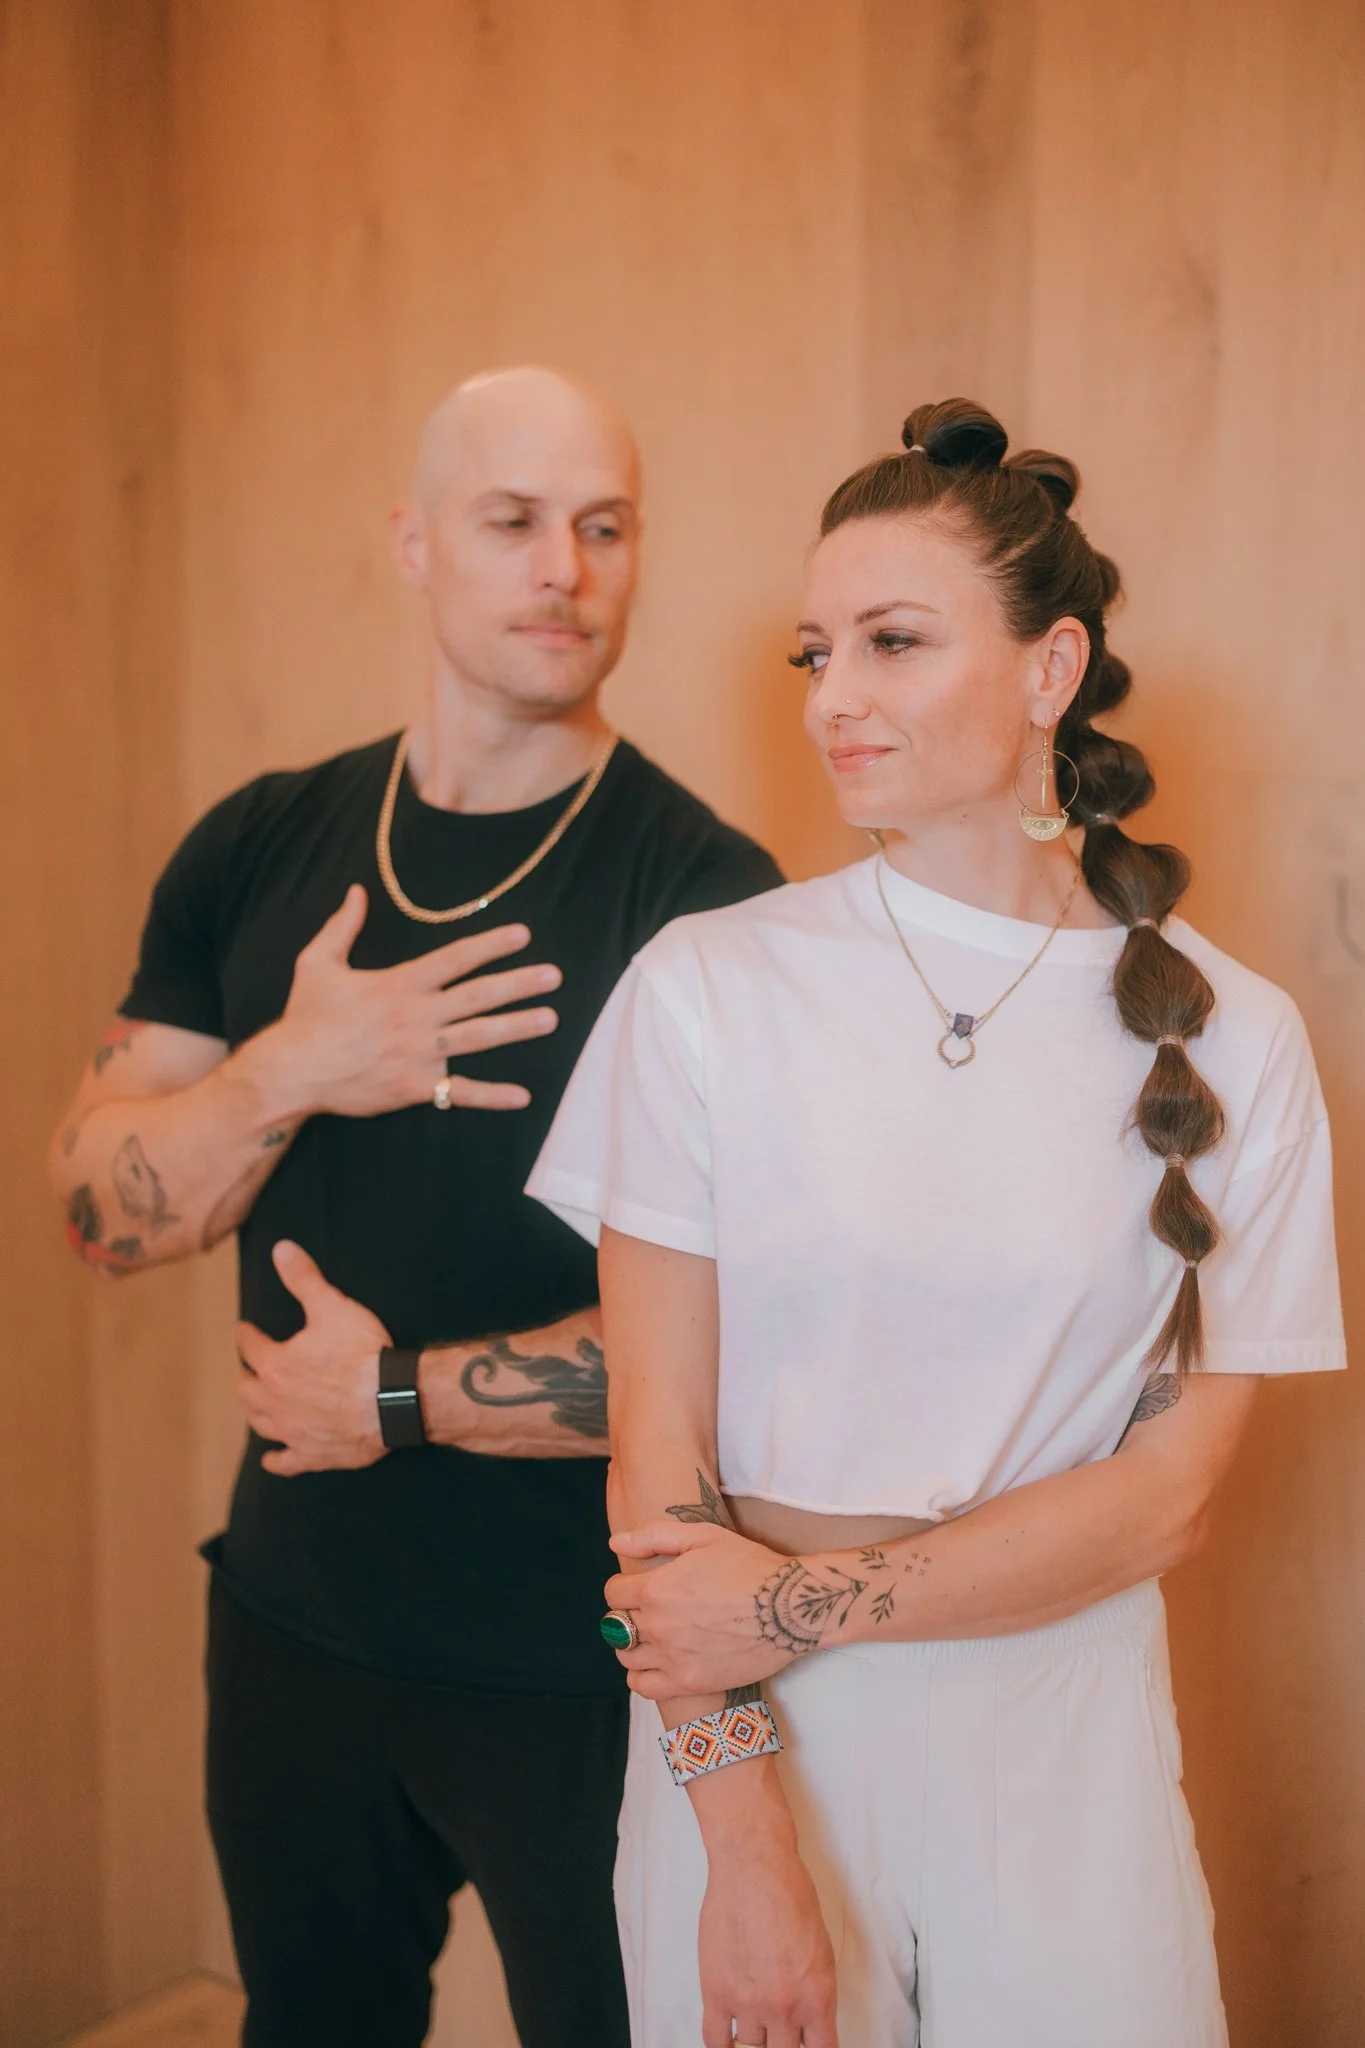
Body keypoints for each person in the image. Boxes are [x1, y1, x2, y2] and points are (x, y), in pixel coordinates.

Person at [527, 398, 1348, 2048]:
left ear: (1051, 672)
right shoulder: (708, 987)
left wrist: (792, 1596)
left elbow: (1168, 1502)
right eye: (815, 654)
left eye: (893, 643)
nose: (838, 700)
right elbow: (658, 1464)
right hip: (747, 1748)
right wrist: (742, 1837)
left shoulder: (1236, 1037)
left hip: (1069, 1739)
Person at [48, 365, 781, 2048]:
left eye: (604, 529)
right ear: (413, 544)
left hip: (579, 1665)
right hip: (294, 1627)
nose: (564, 573)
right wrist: (291, 1068)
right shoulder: (262, 841)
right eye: (513, 522)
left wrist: (394, 1399)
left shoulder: (710, 903)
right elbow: (98, 1211)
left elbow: (738, 1343)